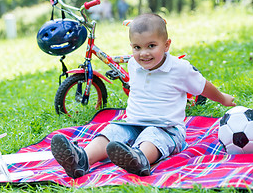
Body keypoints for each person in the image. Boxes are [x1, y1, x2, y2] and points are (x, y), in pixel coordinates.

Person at [51, 13, 236, 178]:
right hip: (133, 123)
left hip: (167, 128)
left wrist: (223, 99)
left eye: (151, 46)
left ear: (167, 45)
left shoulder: (179, 68)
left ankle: (138, 159)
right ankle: (81, 159)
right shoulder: (133, 64)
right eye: (137, 47)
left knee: (151, 136)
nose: (144, 53)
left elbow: (203, 86)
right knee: (112, 132)